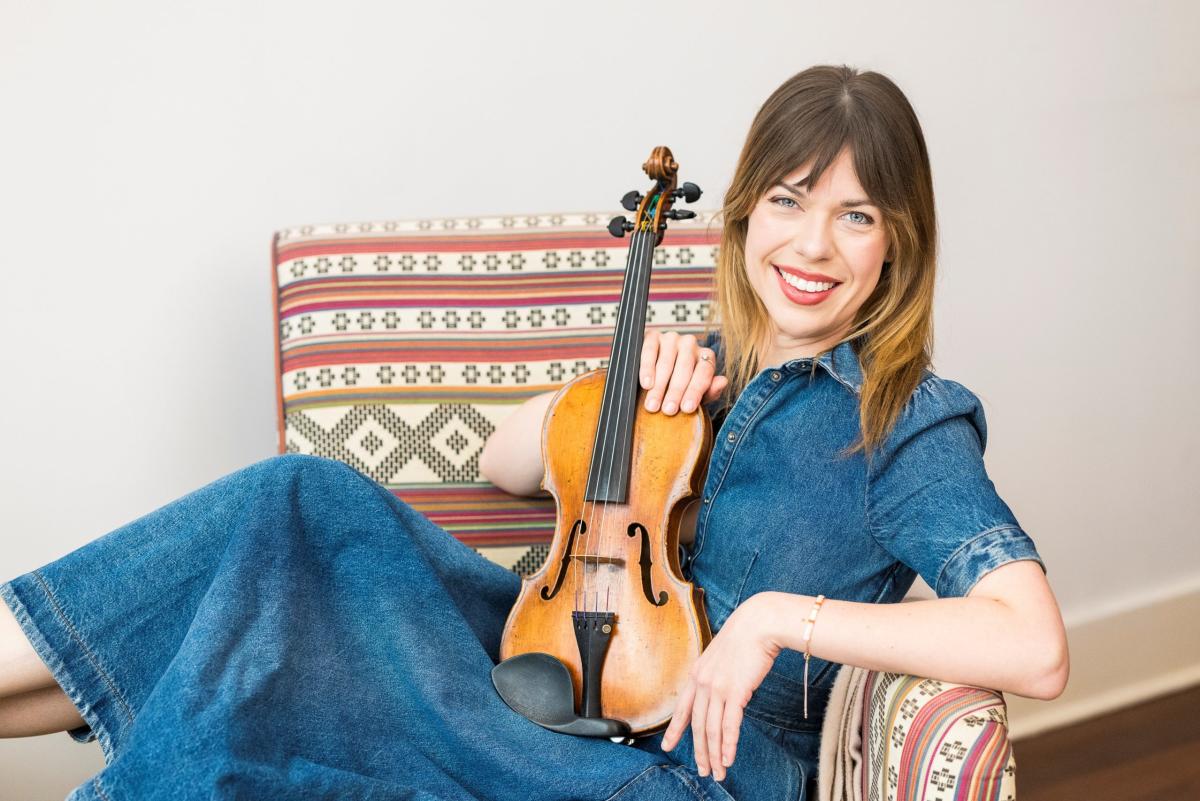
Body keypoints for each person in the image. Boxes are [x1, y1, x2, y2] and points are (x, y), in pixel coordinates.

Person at [0, 64, 1068, 801]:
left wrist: (779, 620)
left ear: (899, 244)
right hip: (539, 672)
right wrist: (616, 396)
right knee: (302, 503)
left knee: (266, 671)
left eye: (858, 214)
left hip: (675, 768)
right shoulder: (699, 368)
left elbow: (1033, 645)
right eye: (790, 200)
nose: (814, 244)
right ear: (744, 215)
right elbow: (500, 462)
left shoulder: (907, 422)